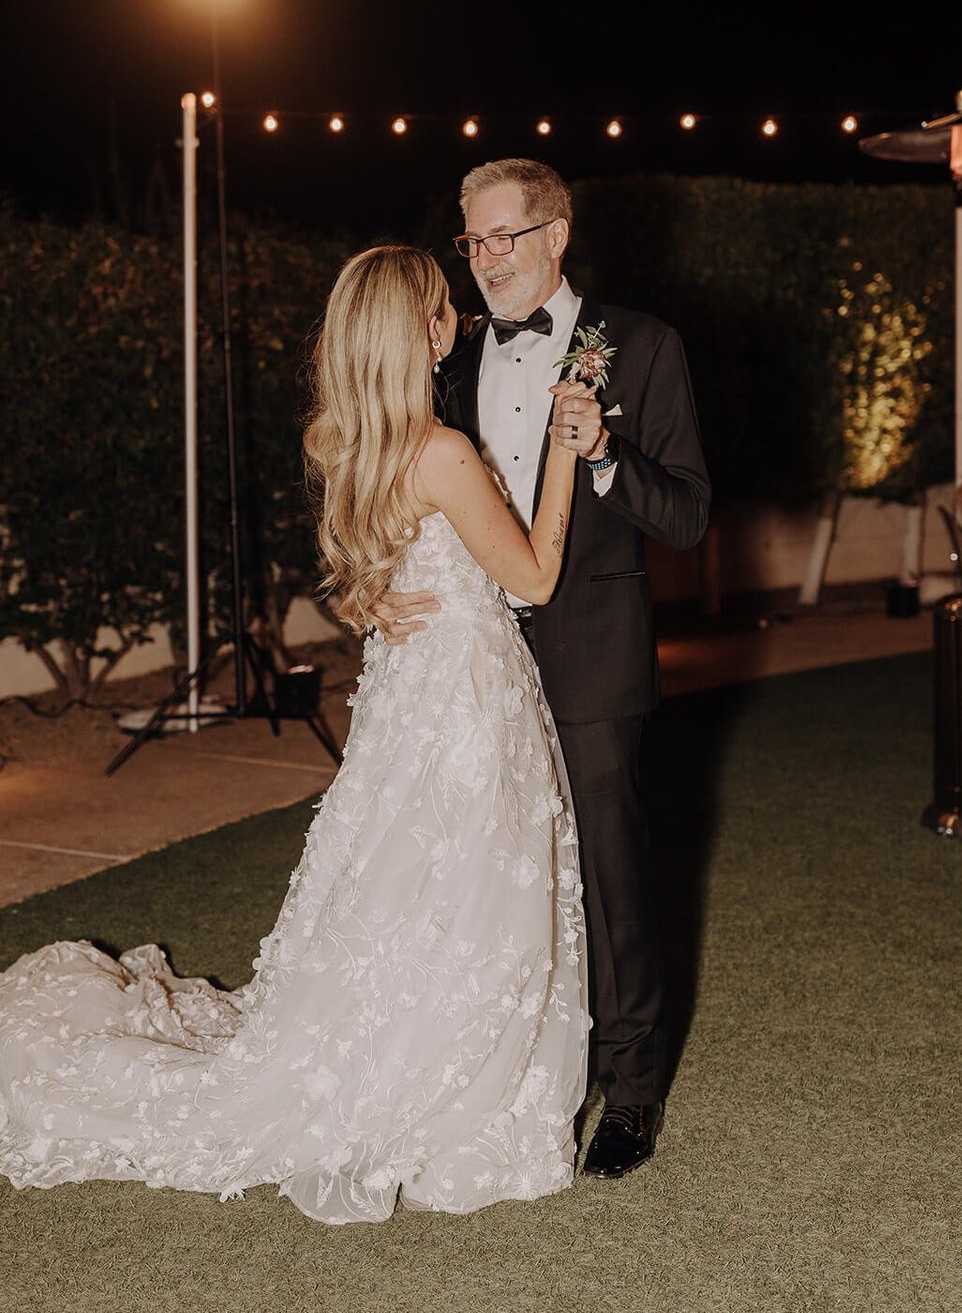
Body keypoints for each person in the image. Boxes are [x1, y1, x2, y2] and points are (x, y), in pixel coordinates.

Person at [0, 246, 591, 1224]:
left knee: (409, 892)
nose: (457, 319)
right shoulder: (439, 451)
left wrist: (386, 604)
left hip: (409, 703)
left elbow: (362, 584)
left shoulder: (344, 443)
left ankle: (424, 1060)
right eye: (443, 308)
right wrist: (567, 452)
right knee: (474, 892)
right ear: (418, 332)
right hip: (467, 704)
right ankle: (456, 1092)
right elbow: (531, 578)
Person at [375, 160, 711, 1178]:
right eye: (471, 243)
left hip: (591, 657)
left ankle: (631, 1091)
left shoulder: (640, 346)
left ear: (556, 236)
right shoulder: (449, 354)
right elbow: (376, 465)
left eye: (504, 238)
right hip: (469, 660)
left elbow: (689, 515)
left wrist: (605, 453)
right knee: (483, 876)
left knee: (607, 874)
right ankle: (500, 1073)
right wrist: (369, 585)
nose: (484, 262)